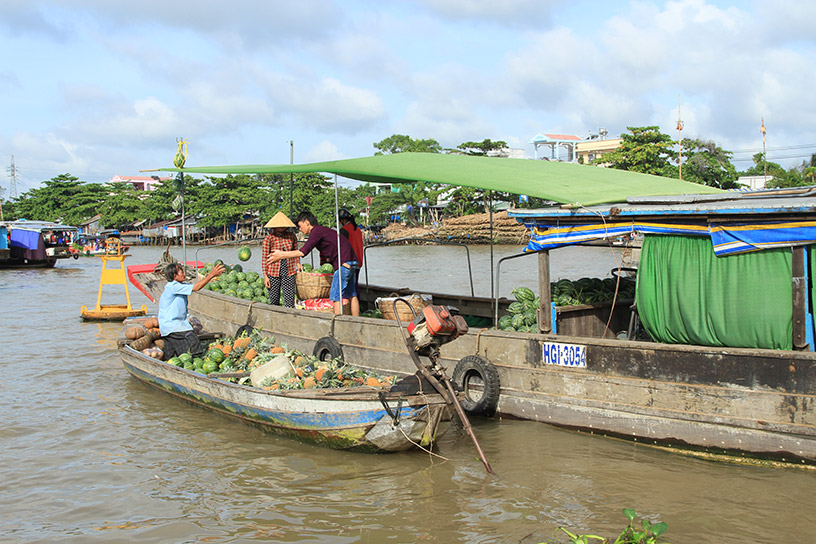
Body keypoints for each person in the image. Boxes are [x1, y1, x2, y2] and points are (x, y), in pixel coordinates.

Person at [267, 211, 360, 316]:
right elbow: (326, 251)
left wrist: (281, 255)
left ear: (307, 222)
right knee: (352, 294)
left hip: (344, 263)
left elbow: (303, 252)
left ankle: (338, 322)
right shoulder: (321, 230)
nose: (300, 229)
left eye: (300, 226)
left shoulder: (316, 231)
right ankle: (356, 320)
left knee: (336, 296)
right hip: (352, 261)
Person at [158, 261, 225, 358]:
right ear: (174, 276)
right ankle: (196, 360)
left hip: (167, 328)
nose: (184, 274)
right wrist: (211, 275)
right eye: (181, 272)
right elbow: (196, 287)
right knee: (193, 342)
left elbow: (196, 286)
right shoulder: (173, 286)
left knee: (173, 356)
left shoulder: (179, 286)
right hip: (173, 326)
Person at [261, 211, 298, 308]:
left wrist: (298, 264)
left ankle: (289, 315)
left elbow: (296, 252)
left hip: (289, 270)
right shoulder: (269, 238)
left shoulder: (291, 236)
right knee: (274, 301)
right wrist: (265, 276)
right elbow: (265, 258)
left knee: (289, 301)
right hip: (273, 271)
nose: (281, 227)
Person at [338, 208, 364, 295]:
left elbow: (341, 246)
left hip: (349, 261)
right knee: (355, 285)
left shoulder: (344, 230)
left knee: (348, 287)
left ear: (342, 220)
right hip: (358, 261)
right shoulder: (357, 229)